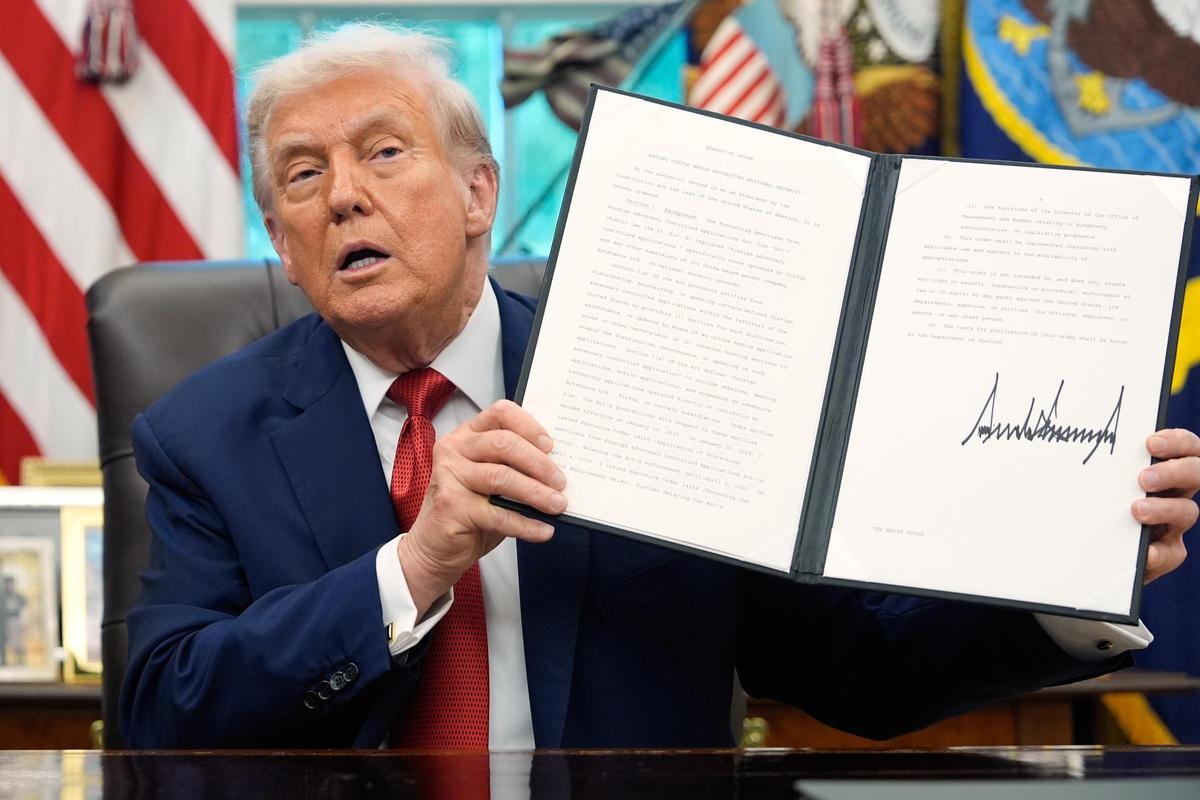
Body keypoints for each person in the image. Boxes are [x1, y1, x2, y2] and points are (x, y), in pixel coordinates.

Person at [120, 23, 1200, 749]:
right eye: (304, 176)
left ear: (480, 191)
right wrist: (413, 564)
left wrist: (1071, 571)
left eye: (384, 152)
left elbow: (851, 663)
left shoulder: (663, 371)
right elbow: (161, 708)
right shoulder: (204, 433)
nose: (344, 196)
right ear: (281, 239)